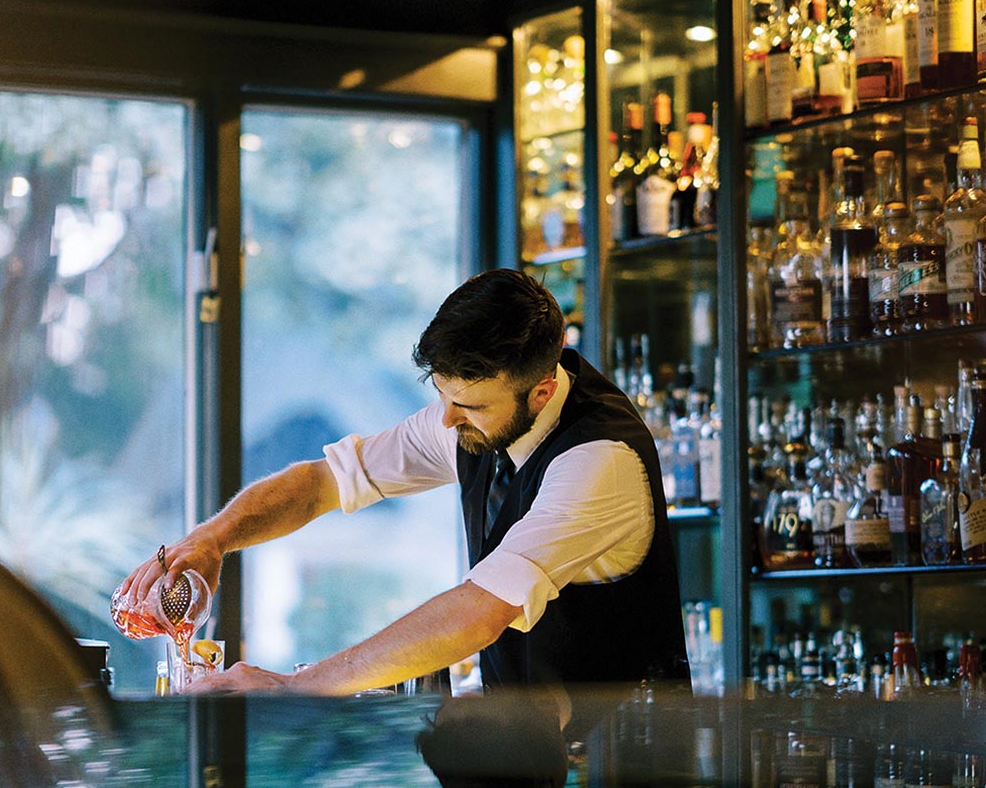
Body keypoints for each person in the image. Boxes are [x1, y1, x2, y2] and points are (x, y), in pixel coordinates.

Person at [117, 268, 688, 694]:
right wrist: (213, 539)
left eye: (467, 403)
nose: (445, 419)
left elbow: (478, 611)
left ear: (541, 389)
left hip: (627, 765)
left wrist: (295, 688)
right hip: (532, 761)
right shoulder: (469, 417)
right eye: (440, 394)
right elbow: (324, 483)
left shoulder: (598, 462)